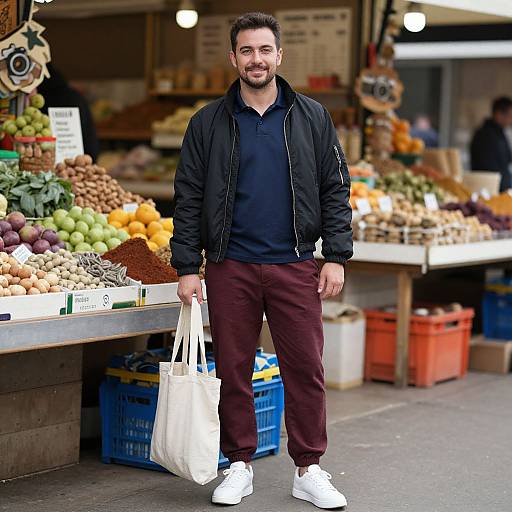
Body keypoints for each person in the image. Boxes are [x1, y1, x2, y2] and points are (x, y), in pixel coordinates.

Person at [171, 12, 352, 510]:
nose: (256, 59)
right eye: (247, 51)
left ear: (279, 55)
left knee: (305, 369)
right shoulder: (207, 122)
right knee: (234, 368)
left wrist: (335, 255)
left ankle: (308, 468)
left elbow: (336, 189)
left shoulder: (313, 117)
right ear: (233, 58)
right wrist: (188, 266)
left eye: (264, 50)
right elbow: (187, 196)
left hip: (295, 264)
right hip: (230, 265)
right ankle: (239, 465)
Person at [37, 63, 100, 161]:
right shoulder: (76, 97)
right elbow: (92, 143)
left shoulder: (40, 101)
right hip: (82, 162)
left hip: (52, 163)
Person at [470, 97, 512, 192]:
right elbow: (488, 167)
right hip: (489, 187)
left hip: (500, 185)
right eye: (509, 115)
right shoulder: (485, 135)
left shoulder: (500, 133)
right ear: (499, 114)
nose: (511, 119)